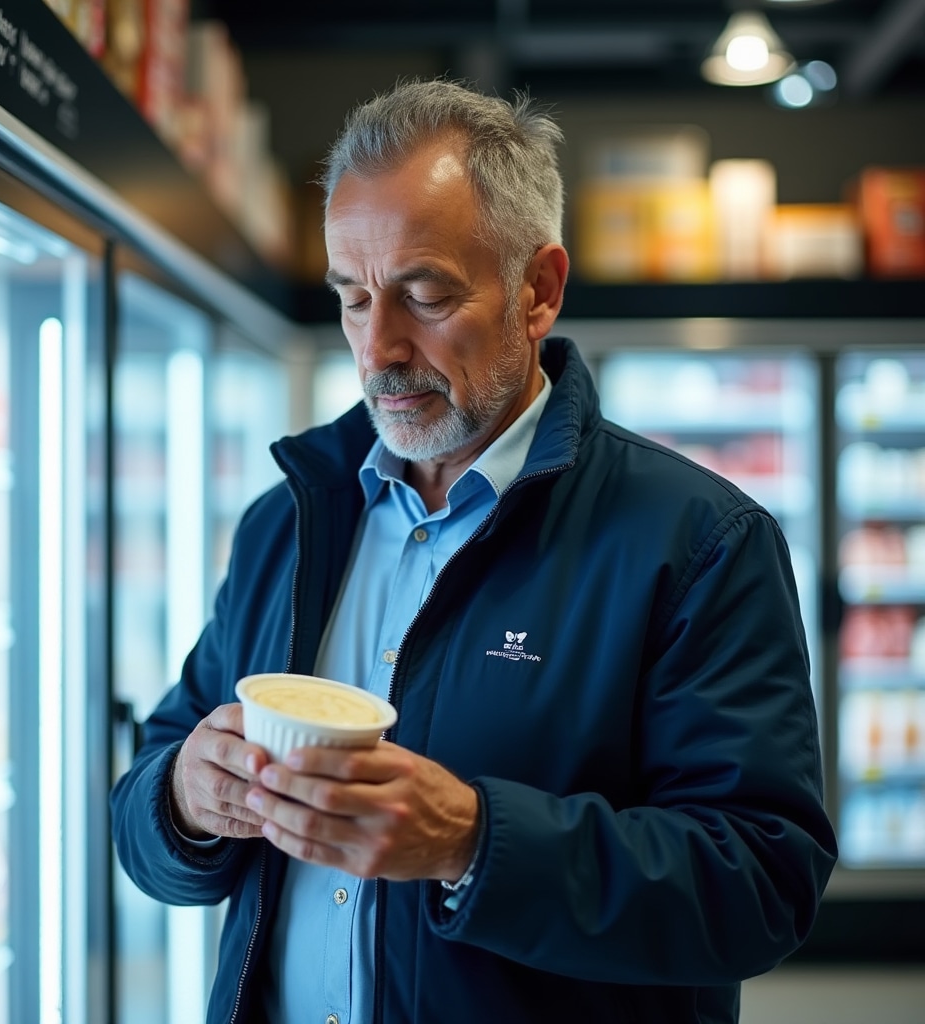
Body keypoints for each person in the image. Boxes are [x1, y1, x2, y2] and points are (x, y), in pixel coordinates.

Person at [111, 77, 837, 1024]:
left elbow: (763, 883)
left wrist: (473, 842)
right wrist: (181, 799)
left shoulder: (699, 541)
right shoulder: (284, 523)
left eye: (423, 295)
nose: (378, 347)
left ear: (539, 291)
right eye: (353, 298)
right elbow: (149, 798)